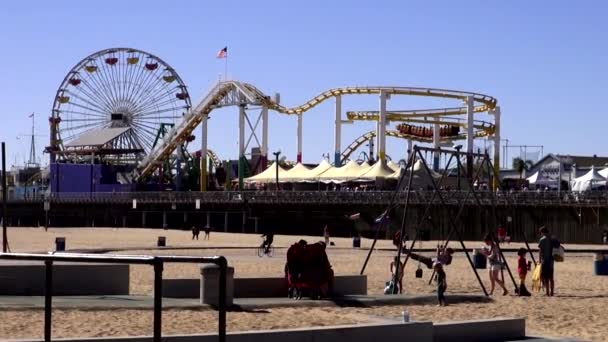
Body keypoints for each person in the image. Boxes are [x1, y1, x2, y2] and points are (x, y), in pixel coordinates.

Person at [538, 227, 556, 296]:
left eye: (540, 232)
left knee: (546, 277)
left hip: (544, 260)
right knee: (551, 277)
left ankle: (547, 292)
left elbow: (540, 251)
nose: (540, 234)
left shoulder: (542, 240)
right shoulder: (552, 239)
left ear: (542, 232)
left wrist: (539, 260)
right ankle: (552, 292)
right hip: (551, 260)